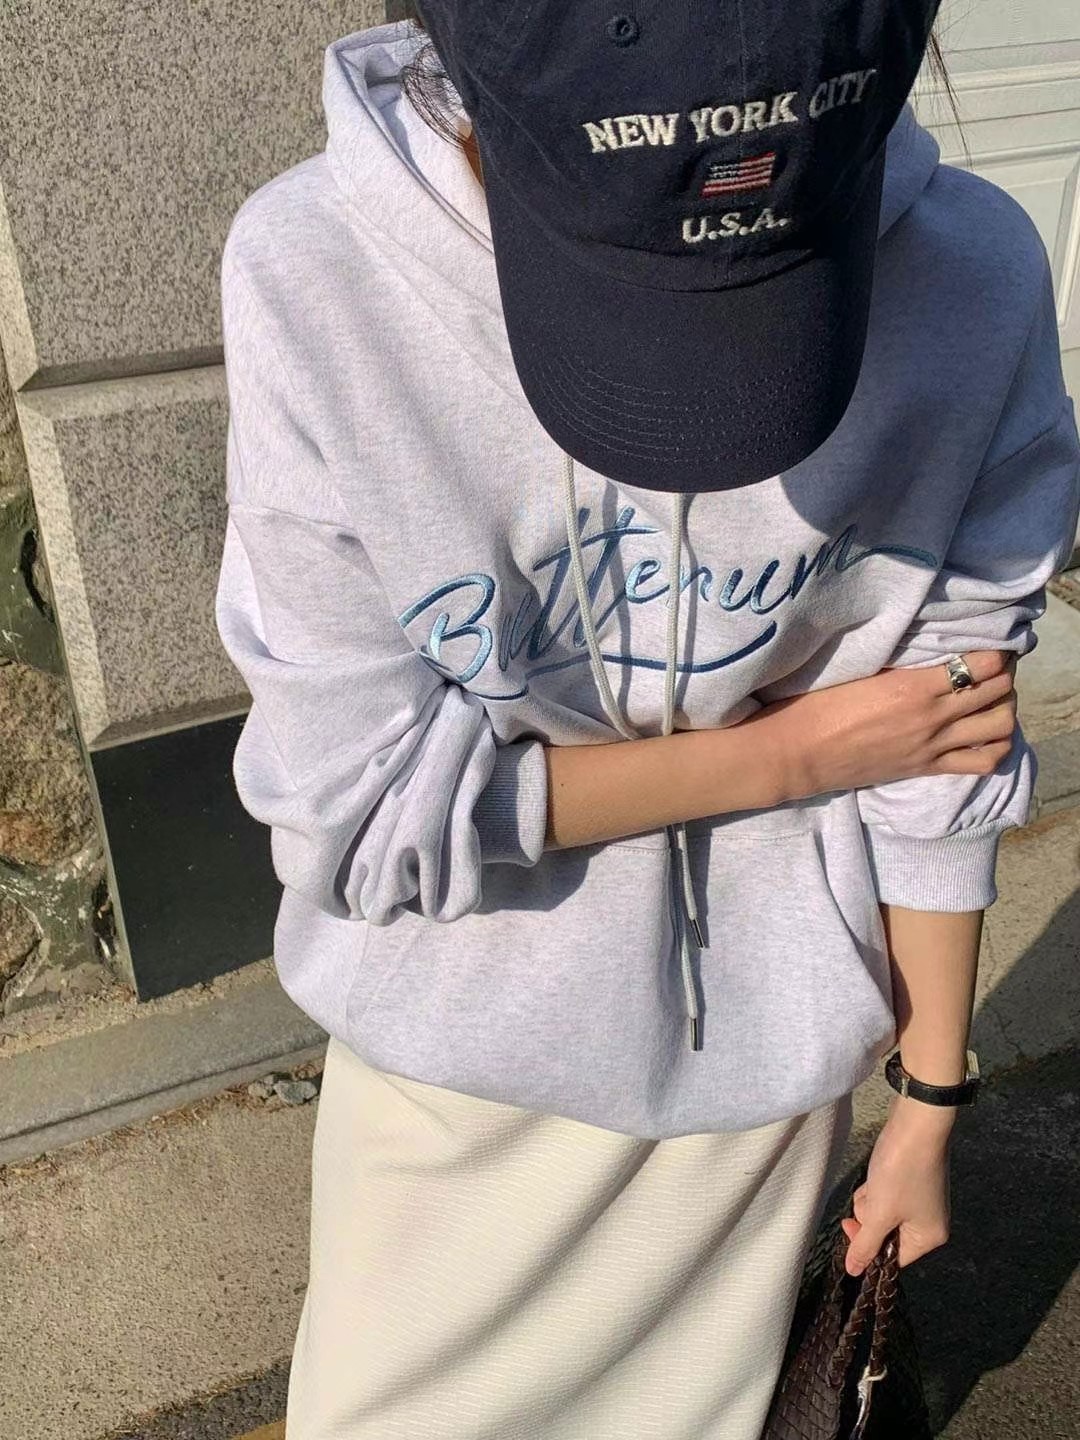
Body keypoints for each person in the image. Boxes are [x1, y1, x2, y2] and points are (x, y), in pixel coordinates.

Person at [213, 3, 1080, 1437]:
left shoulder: (968, 279)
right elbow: (353, 813)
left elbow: (945, 745)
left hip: (764, 1099)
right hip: (451, 1078)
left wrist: (931, 1098)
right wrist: (797, 751)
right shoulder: (319, 274)